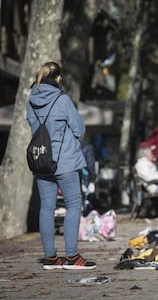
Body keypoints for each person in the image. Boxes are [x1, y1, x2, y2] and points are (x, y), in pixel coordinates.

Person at [26, 61, 96, 270]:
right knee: (73, 205)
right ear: (57, 78)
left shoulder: (31, 100)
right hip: (64, 160)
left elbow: (32, 125)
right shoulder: (62, 99)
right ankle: (72, 257)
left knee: (46, 207)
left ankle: (50, 258)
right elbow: (79, 128)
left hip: (41, 160)